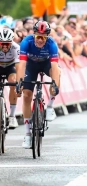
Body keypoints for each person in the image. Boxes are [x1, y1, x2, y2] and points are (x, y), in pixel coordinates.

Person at [16, 21, 60, 149]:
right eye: (38, 36)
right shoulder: (26, 42)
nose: (40, 40)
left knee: (58, 74)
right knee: (27, 95)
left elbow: (55, 67)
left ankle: (50, 106)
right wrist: (19, 82)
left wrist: (55, 85)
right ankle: (28, 134)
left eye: (43, 37)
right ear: (34, 34)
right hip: (31, 66)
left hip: (46, 64)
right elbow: (22, 65)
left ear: (47, 37)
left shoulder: (52, 44)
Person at [0, 28, 20, 129]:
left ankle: (12, 116)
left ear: (11, 42)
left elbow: (18, 66)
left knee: (13, 82)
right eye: (2, 43)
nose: (4, 46)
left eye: (7, 44)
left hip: (10, 66)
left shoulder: (16, 47)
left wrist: (19, 81)